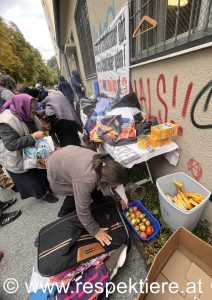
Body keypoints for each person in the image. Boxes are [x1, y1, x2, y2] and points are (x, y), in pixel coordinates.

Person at [46, 146, 128, 246]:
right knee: (75, 194)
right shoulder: (86, 181)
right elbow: (82, 210)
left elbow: (114, 184)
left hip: (69, 155)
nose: (115, 187)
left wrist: (121, 198)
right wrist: (96, 231)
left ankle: (98, 205)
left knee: (88, 191)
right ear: (103, 181)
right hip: (56, 165)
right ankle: (63, 213)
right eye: (113, 185)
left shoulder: (105, 164)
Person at [0, 94, 58, 203]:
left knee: (41, 171)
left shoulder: (27, 112)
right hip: (16, 156)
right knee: (32, 178)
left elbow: (34, 126)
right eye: (32, 111)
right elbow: (11, 145)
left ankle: (47, 187)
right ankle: (42, 194)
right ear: (23, 108)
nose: (33, 115)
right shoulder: (6, 121)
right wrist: (32, 137)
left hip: (32, 150)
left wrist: (42, 129)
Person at [0, 75, 16, 190]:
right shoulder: (5, 92)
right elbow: (16, 105)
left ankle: (8, 183)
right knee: (11, 153)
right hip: (7, 125)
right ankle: (12, 184)